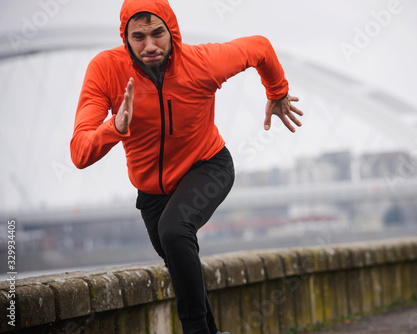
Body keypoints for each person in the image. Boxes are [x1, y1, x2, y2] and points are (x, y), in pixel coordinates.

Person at [70, 0, 303, 333]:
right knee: (178, 259)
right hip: (151, 192)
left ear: (171, 32)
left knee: (174, 231)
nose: (149, 45)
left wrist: (277, 91)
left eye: (157, 34)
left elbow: (260, 48)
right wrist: (113, 129)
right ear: (125, 37)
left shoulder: (202, 63)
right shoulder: (106, 70)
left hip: (208, 166)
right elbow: (79, 152)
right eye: (138, 37)